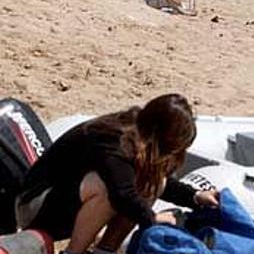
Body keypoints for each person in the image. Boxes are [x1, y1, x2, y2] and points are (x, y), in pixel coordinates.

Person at [15, 94, 219, 254]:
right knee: (105, 187)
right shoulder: (113, 139)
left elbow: (161, 183)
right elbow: (121, 192)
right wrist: (153, 218)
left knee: (151, 180)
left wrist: (194, 196)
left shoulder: (141, 137)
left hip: (68, 205)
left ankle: (104, 251)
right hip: (36, 207)